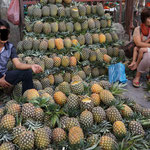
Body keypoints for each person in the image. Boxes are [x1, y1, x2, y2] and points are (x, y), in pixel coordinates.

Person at [0, 19, 43, 94]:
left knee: (27, 73)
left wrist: (31, 66)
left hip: (4, 76)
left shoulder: (10, 47)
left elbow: (18, 64)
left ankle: (29, 99)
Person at [130, 8, 150, 87]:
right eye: (149, 18)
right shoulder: (138, 29)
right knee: (148, 58)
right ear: (144, 19)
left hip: (146, 49)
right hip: (141, 51)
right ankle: (137, 76)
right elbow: (138, 43)